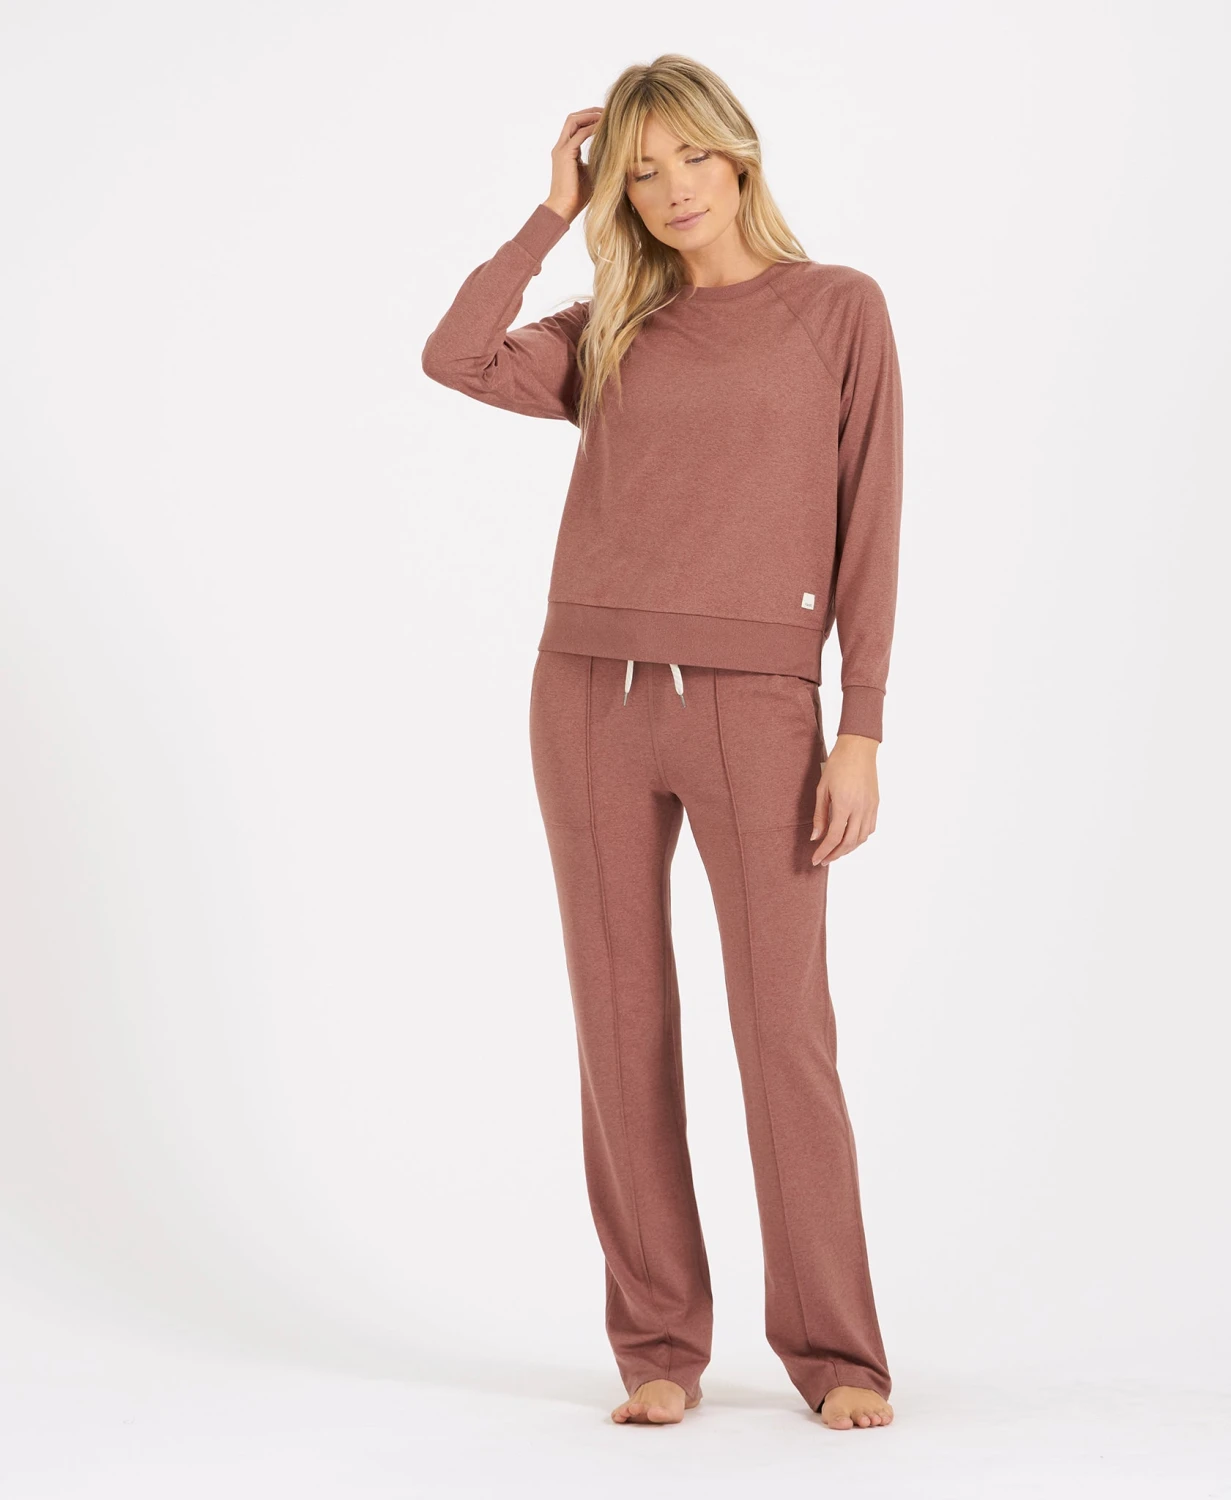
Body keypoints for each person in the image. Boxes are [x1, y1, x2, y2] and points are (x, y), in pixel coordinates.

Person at [421, 54, 903, 1432]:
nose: (672, 187)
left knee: (782, 1029)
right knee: (620, 1026)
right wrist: (551, 215)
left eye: (690, 155)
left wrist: (860, 728)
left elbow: (871, 524)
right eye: (639, 172)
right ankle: (657, 1342)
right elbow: (455, 356)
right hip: (588, 695)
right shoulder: (613, 324)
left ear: (739, 154)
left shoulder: (838, 310)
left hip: (761, 707)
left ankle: (836, 1350)